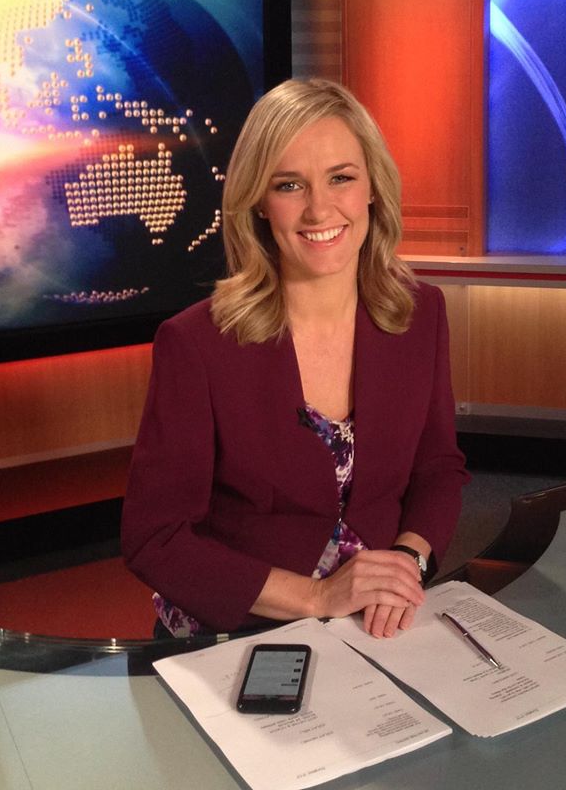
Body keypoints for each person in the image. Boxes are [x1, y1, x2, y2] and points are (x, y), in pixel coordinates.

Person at [121, 78, 469, 641]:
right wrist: (317, 596)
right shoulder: (196, 343)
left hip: (375, 625)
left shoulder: (420, 312)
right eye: (289, 185)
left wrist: (408, 560)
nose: (319, 208)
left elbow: (438, 469)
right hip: (240, 631)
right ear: (259, 202)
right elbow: (155, 538)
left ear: (373, 188)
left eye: (341, 178)